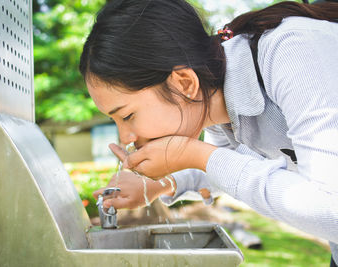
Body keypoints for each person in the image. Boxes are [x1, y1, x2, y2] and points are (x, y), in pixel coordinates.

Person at [79, 0, 338, 265]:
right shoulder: (212, 100)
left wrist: (199, 155)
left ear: (184, 83)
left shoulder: (293, 52)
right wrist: (161, 184)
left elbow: (332, 210)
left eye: (127, 116)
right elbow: (227, 164)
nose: (126, 138)